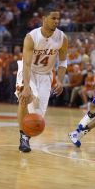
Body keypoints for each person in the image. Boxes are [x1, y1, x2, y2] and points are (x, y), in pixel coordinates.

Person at [15, 8, 68, 152]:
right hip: (28, 72)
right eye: (53, 18)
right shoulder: (31, 37)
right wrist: (26, 87)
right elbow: (26, 63)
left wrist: (60, 80)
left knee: (37, 117)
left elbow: (63, 62)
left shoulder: (62, 38)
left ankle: (27, 134)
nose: (56, 21)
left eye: (58, 18)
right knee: (24, 98)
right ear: (44, 18)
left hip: (46, 76)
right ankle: (23, 139)